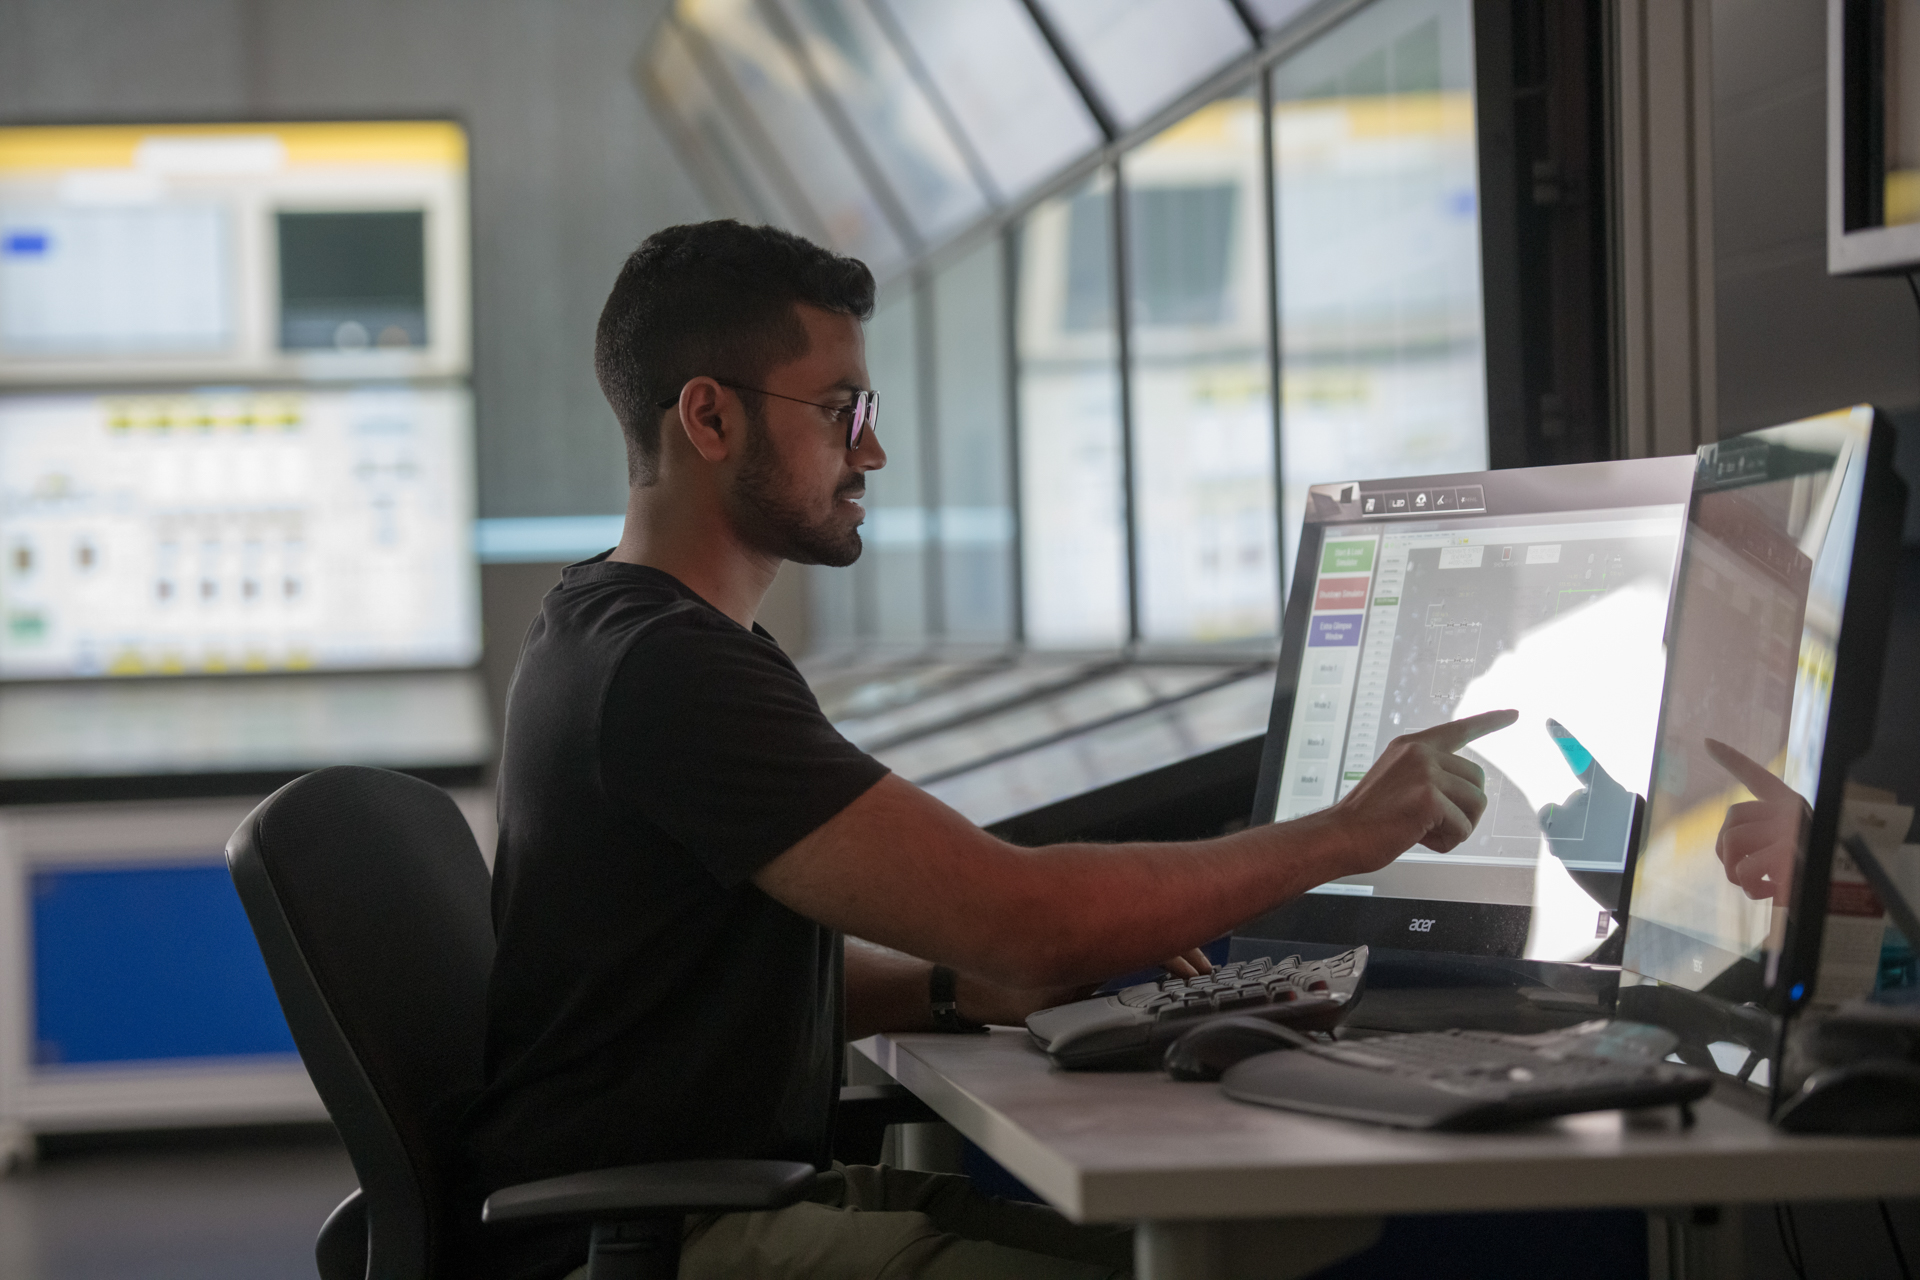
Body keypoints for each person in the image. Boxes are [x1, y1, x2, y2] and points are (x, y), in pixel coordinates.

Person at [461, 220, 1515, 1280]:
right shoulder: (671, 672)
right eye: (842, 410)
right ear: (709, 415)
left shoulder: (613, 626)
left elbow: (689, 984)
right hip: (676, 1243)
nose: (871, 449)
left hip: (708, 1206)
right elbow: (1032, 924)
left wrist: (954, 992)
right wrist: (1345, 833)